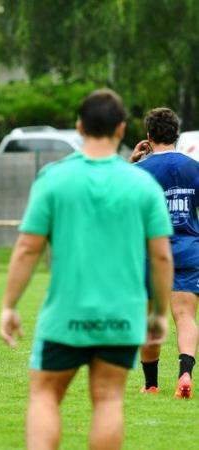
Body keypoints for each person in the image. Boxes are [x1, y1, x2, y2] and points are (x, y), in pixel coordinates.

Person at [0, 89, 173, 450]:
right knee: (109, 400)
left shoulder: (54, 177)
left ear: (79, 126)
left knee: (45, 396)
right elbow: (160, 257)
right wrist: (158, 313)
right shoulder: (143, 184)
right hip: (121, 316)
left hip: (66, 315)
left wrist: (9, 305)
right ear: (122, 129)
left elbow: (28, 248)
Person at [131, 108, 199, 398]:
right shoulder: (193, 167)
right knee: (185, 316)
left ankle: (151, 384)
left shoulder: (138, 171)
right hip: (188, 250)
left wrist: (131, 162)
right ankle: (185, 373)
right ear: (177, 134)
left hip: (151, 255)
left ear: (148, 136)